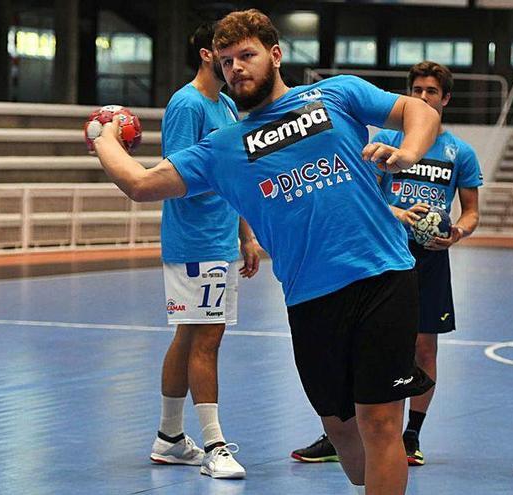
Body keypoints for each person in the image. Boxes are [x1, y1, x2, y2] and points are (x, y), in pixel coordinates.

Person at [90, 9, 441, 494]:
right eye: (227, 60)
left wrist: (408, 153)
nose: (236, 67)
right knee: (344, 434)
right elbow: (140, 183)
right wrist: (105, 138)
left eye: (247, 55)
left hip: (384, 275)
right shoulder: (222, 147)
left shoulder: (336, 94)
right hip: (310, 298)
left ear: (275, 56)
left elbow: (420, 112)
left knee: (381, 424)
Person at [291, 61, 481, 467]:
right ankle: (340, 434)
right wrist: (395, 211)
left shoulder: (459, 153)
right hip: (380, 255)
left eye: (431, 91)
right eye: (417, 89)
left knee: (424, 346)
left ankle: (410, 434)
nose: (423, 97)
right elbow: (364, 196)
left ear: (445, 98)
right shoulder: (387, 141)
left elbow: (471, 213)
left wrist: (458, 233)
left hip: (430, 259)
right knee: (354, 347)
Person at [146, 22, 260, 480]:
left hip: (221, 239)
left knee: (189, 335)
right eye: (225, 53)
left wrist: (246, 236)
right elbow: (178, 178)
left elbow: (238, 171)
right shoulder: (187, 103)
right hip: (195, 240)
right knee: (206, 337)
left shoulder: (228, 104)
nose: (234, 61)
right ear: (207, 55)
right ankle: (214, 445)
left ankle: (170, 438)